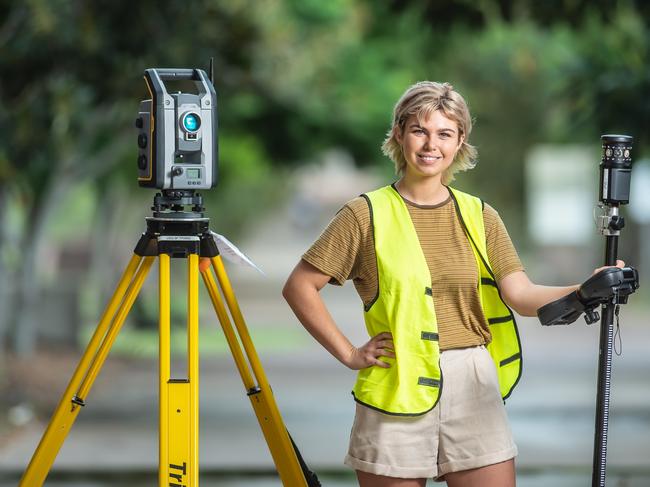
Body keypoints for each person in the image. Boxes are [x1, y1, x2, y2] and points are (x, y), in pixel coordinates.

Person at [282, 81, 623, 487]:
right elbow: (300, 286)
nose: (431, 145)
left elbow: (521, 294)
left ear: (460, 141)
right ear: (398, 134)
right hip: (397, 384)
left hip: (473, 383)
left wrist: (586, 288)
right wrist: (350, 353)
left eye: (444, 133)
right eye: (419, 130)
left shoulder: (481, 215)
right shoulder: (364, 214)